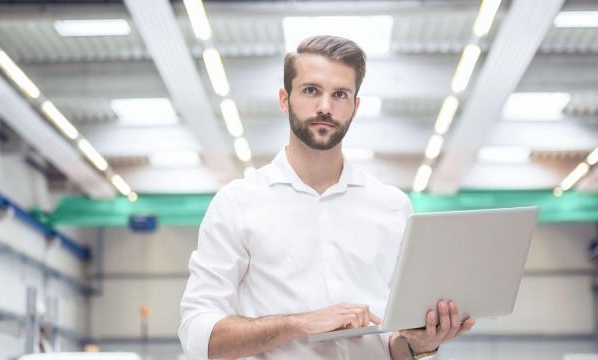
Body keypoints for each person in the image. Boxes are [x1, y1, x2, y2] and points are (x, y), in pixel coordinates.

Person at [179, 35, 475, 360]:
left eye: (340, 95)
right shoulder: (236, 205)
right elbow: (197, 334)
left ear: (355, 107)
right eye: (310, 90)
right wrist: (300, 323)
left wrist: (419, 345)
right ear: (284, 99)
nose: (325, 107)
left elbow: (394, 342)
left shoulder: (392, 207)